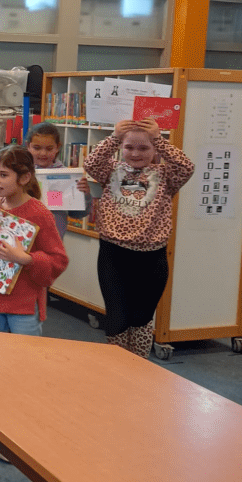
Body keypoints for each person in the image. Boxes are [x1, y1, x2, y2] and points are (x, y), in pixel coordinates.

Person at [0, 145, 68, 455]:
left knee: (23, 368)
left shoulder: (39, 213)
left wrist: (25, 258)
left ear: (24, 178)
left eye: (3, 175)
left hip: (24, 306)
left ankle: (18, 432)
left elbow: (58, 259)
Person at [83, 118, 194, 359]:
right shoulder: (111, 170)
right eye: (129, 147)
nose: (135, 153)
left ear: (155, 149)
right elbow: (91, 162)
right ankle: (117, 368)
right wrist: (114, 137)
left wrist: (158, 138)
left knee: (141, 318)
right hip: (113, 255)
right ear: (121, 147)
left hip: (151, 259)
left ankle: (139, 367)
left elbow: (186, 167)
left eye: (144, 147)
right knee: (117, 317)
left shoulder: (165, 175)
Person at [25, 122, 92, 238]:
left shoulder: (66, 176)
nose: (43, 153)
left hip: (53, 239)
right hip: (24, 234)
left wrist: (84, 195)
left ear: (57, 147)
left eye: (49, 148)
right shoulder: (21, 173)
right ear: (28, 146)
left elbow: (77, 213)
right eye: (37, 148)